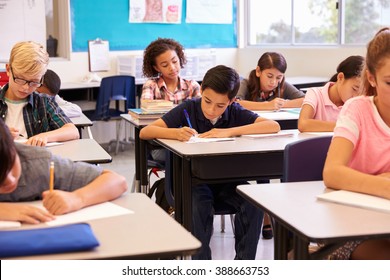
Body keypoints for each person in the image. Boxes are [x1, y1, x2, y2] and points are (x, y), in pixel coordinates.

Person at [140, 65, 280, 259]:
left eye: (220, 105)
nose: (211, 110)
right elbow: (145, 132)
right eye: (207, 101)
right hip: (195, 183)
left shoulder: (235, 112)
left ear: (231, 101)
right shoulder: (188, 108)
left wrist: (228, 131)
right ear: (202, 90)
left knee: (253, 204)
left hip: (228, 183)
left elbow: (273, 126)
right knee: (199, 206)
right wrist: (175, 132)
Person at [323, 27, 390, 260]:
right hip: (354, 227)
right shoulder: (357, 109)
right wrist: (383, 185)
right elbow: (332, 172)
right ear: (371, 77)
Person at [0, 118, 127, 224]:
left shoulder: (36, 162)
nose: (10, 179)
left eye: (11, 164)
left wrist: (77, 198)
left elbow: (117, 181)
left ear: (14, 147)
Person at [0, 41, 79, 147]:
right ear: (8, 70)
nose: (26, 88)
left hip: (35, 160)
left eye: (34, 82)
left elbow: (73, 131)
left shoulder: (43, 102)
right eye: (20, 79)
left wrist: (45, 136)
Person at [298, 55, 364, 132]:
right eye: (355, 89)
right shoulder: (315, 94)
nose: (356, 96)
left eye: (361, 93)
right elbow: (303, 124)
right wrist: (345, 126)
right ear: (340, 78)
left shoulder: (357, 103)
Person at [236, 52, 305, 111]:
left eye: (279, 77)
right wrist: (267, 105)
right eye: (269, 76)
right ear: (258, 71)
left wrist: (282, 104)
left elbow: (306, 100)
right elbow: (235, 103)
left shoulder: (283, 85)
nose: (274, 82)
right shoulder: (246, 83)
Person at [141, 37, 201, 104]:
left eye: (174, 61)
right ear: (157, 68)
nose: (172, 68)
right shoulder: (151, 85)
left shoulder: (192, 86)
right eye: (165, 65)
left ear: (179, 58)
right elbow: (146, 110)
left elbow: (200, 111)